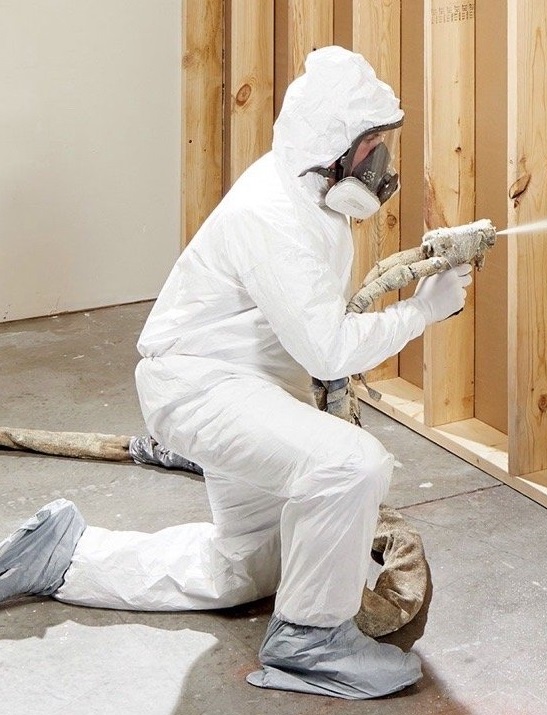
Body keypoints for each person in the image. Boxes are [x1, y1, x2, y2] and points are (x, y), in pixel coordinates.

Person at [0, 46, 472, 700]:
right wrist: (423, 311)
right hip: (200, 390)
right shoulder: (273, 215)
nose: (381, 162)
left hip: (243, 388)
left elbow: (309, 324)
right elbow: (330, 350)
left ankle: (67, 555)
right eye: (372, 146)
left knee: (246, 570)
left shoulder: (312, 198)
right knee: (352, 464)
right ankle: (309, 641)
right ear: (333, 146)